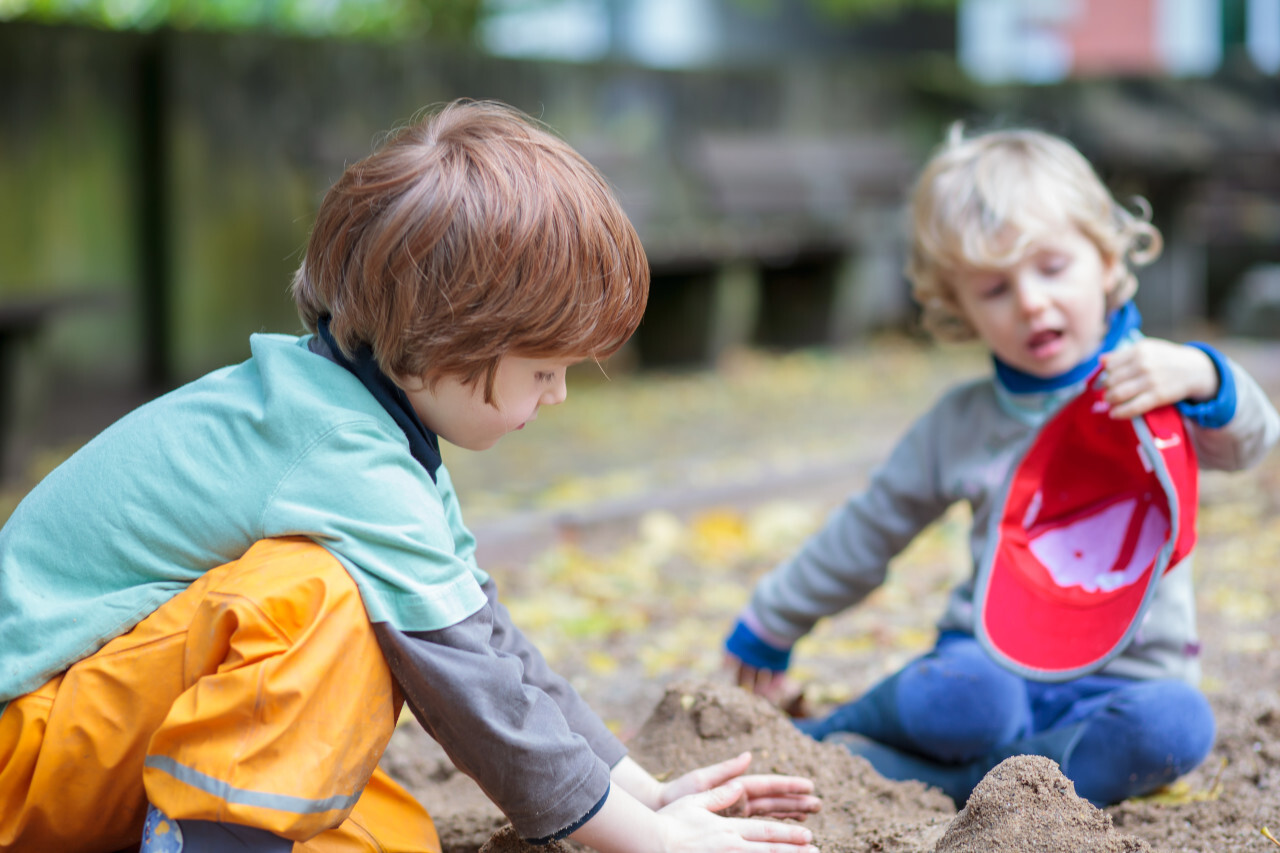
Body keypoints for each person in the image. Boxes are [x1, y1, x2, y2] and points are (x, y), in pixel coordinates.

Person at [0, 99, 821, 853]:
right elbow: (473, 693)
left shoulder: (369, 431)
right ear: (443, 343)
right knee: (320, 594)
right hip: (23, 749)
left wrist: (642, 792)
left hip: (86, 734)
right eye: (543, 370)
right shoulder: (338, 453)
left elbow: (487, 632)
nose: (561, 393)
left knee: (389, 833)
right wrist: (653, 843)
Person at [723, 125, 1280, 809]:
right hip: (991, 662)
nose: (1030, 302)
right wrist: (773, 620)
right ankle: (822, 737)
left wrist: (1203, 372)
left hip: (1124, 681)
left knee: (1178, 724)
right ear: (959, 308)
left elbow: (1251, 439)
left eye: (1052, 268)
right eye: (994, 288)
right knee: (966, 698)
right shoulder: (961, 422)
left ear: (1106, 260)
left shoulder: (1156, 381)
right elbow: (869, 529)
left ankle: (981, 786)